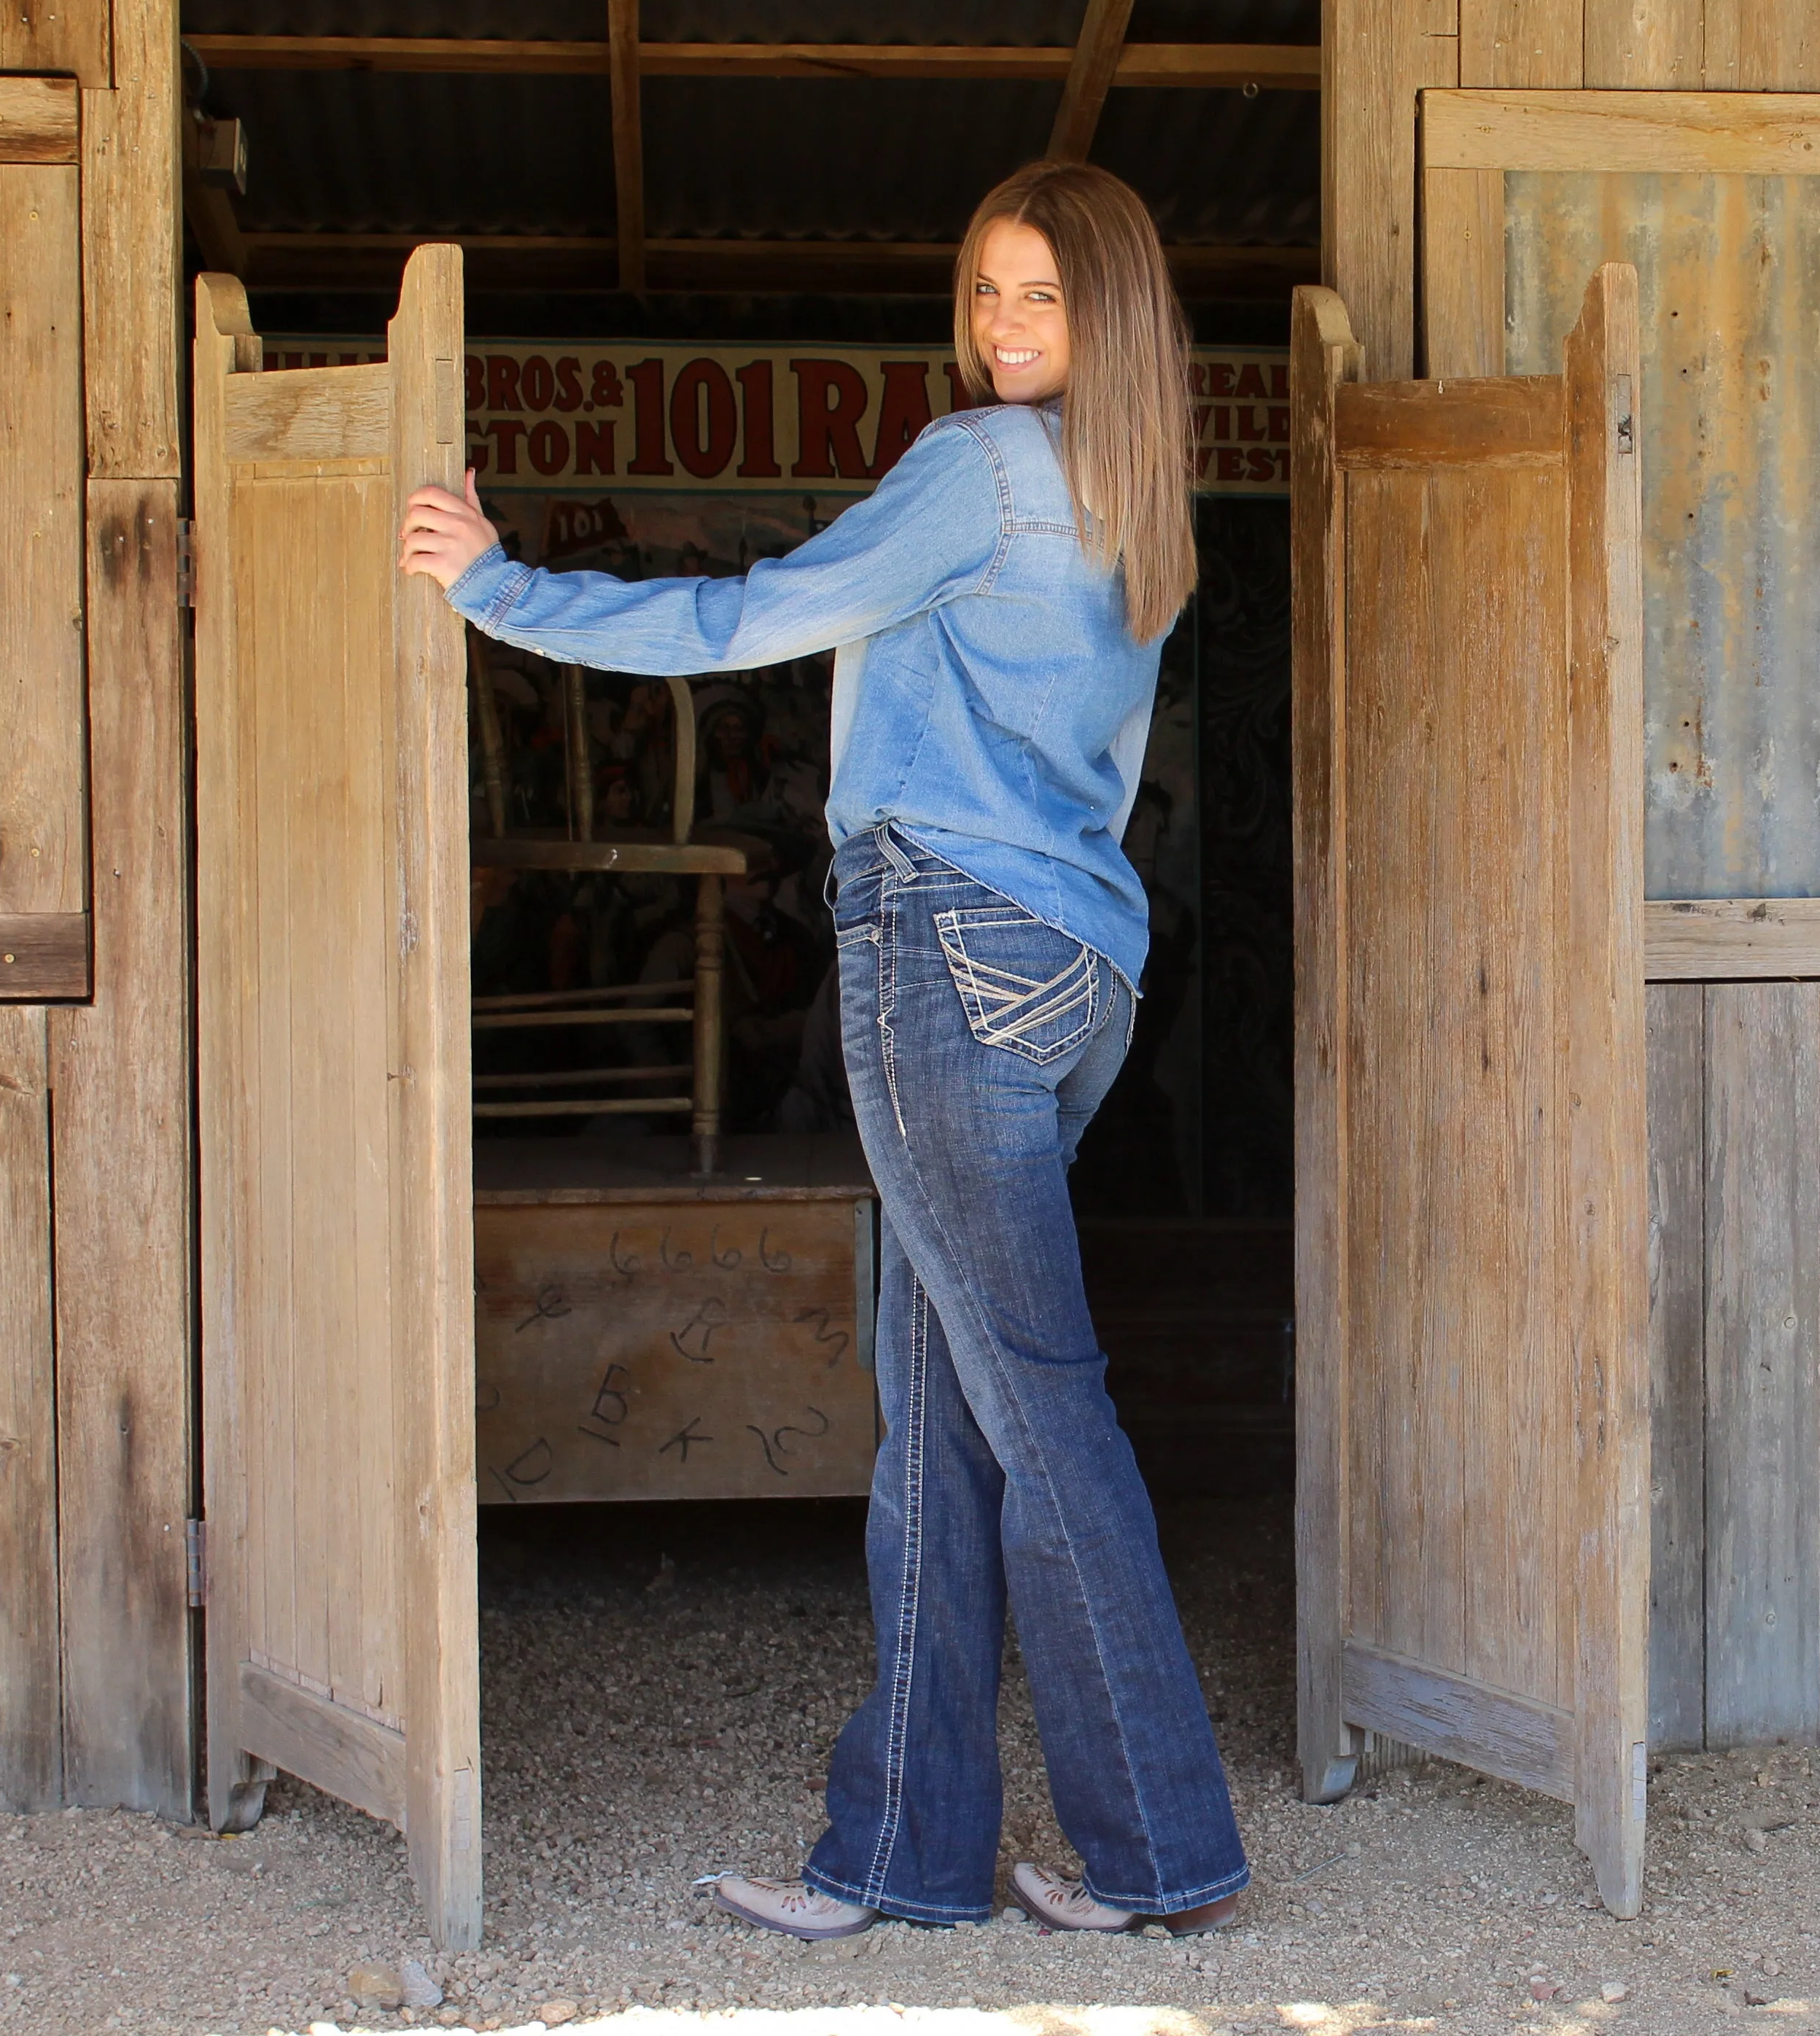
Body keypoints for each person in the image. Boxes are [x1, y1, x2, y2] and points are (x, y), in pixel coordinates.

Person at [400, 160, 1248, 1944]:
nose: (1003, 329)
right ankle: (905, 1855)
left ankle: (1164, 1847)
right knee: (941, 1417)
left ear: (1110, 314)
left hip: (945, 950)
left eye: (1042, 298)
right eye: (989, 295)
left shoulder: (980, 471)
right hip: (1076, 973)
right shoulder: (1136, 502)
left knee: (1034, 1401)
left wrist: (504, 590)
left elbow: (755, 617)